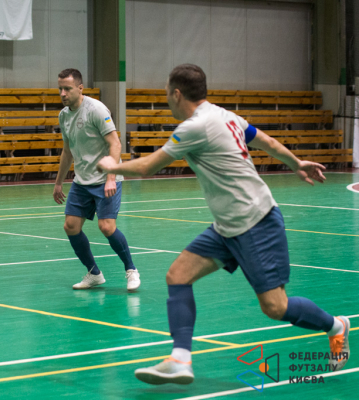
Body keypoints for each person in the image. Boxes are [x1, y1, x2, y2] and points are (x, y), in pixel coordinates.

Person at [97, 64, 350, 385]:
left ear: (177, 94)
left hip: (256, 221)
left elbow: (148, 167)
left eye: (167, 94)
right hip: (227, 226)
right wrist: (296, 162)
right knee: (178, 275)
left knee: (275, 307)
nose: (167, 99)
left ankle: (336, 326)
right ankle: (180, 360)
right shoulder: (225, 115)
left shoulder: (194, 127)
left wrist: (112, 166)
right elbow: (268, 142)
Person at [53, 68, 140, 292]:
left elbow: (115, 144)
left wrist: (111, 178)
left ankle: (131, 269)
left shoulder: (96, 110)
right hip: (82, 180)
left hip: (104, 178)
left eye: (67, 89)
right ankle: (94, 273)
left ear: (80, 88)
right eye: (60, 89)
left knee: (106, 227)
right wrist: (58, 182)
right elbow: (67, 151)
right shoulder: (64, 115)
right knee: (71, 226)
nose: (63, 94)